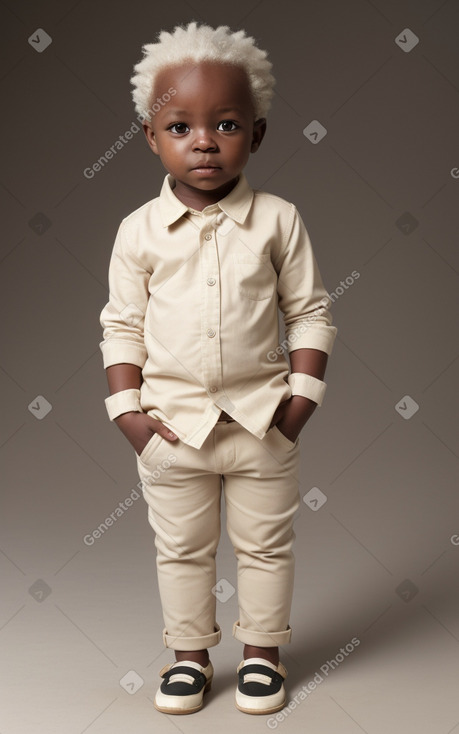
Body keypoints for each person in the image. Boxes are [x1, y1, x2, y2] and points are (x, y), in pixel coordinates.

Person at [99, 21, 338, 716]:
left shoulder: (277, 221)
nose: (204, 140)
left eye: (226, 124)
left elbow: (312, 311)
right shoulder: (137, 232)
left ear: (256, 134)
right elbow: (121, 324)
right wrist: (129, 415)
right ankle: (189, 658)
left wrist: (299, 403)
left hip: (263, 425)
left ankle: (262, 654)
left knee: (265, 546)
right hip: (170, 432)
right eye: (180, 126)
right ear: (151, 136)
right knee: (181, 551)